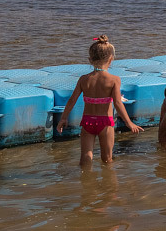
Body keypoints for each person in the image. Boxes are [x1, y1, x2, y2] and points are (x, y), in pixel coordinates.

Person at [57, 35, 142, 167]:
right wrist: (129, 122)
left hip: (87, 122)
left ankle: (86, 178)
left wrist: (63, 118)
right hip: (105, 122)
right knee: (107, 159)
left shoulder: (84, 79)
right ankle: (108, 180)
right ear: (111, 59)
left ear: (90, 60)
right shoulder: (114, 80)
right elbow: (118, 103)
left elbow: (72, 100)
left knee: (85, 157)